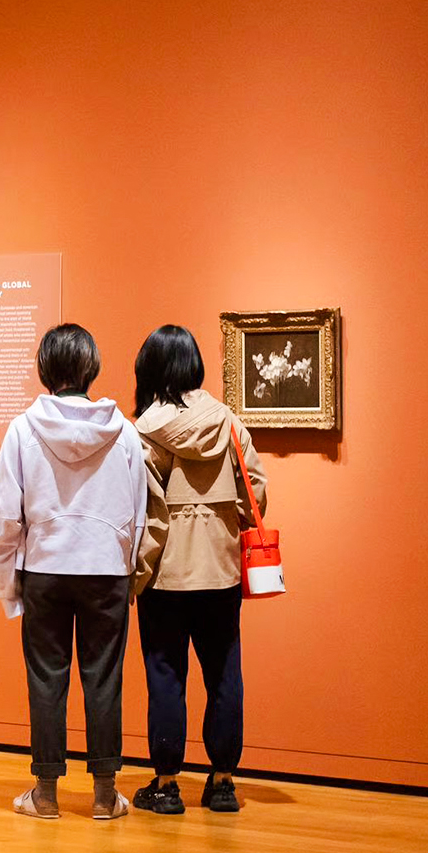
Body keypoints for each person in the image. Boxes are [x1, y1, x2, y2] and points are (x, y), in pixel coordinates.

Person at [0, 324, 147, 820]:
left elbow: (1, 519)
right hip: (106, 571)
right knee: (104, 677)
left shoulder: (23, 429)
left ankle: (47, 793)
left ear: (45, 369)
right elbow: (138, 514)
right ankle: (102, 794)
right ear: (90, 368)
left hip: (46, 569)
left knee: (46, 677)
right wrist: (126, 567)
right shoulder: (125, 433)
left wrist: (9, 588)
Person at [129, 325, 268, 815]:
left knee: (165, 673)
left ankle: (166, 785)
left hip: (165, 576)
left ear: (151, 368)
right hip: (222, 571)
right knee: (224, 672)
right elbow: (257, 495)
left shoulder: (147, 431)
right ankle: (224, 781)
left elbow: (143, 509)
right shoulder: (230, 423)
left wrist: (136, 573)